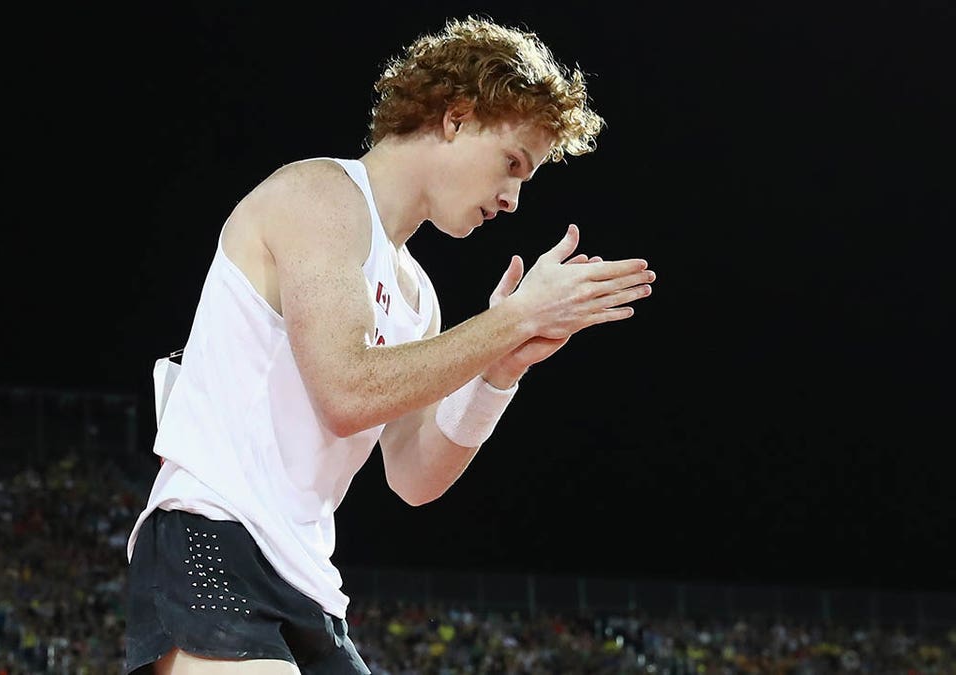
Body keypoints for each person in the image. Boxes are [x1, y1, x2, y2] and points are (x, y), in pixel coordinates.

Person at [123, 15, 655, 675]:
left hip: (307, 581)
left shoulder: (416, 294)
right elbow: (347, 390)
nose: (515, 198)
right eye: (512, 164)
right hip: (213, 536)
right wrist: (510, 321)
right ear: (455, 118)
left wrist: (499, 371)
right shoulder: (321, 197)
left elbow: (413, 476)